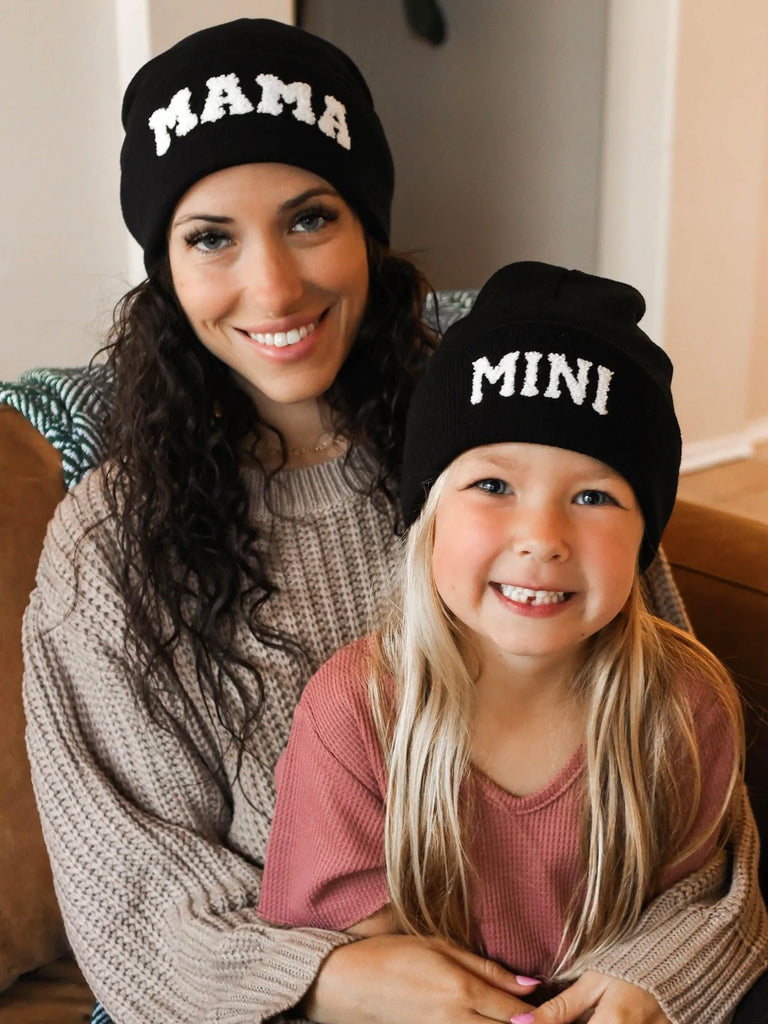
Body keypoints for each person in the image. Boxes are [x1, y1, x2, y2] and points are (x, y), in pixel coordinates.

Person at [19, 16, 759, 1024]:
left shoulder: (510, 430)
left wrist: (648, 977)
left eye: (310, 218)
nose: (275, 285)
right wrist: (328, 981)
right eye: (211, 237)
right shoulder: (107, 549)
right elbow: (131, 896)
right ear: (164, 265)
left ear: (366, 223)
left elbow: (676, 755)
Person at [258, 262, 768, 1024]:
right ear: (429, 518)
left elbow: (695, 910)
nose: (541, 537)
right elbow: (356, 965)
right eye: (494, 487)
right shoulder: (355, 708)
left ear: (644, 539)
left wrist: (651, 983)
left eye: (593, 496)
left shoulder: (683, 707)